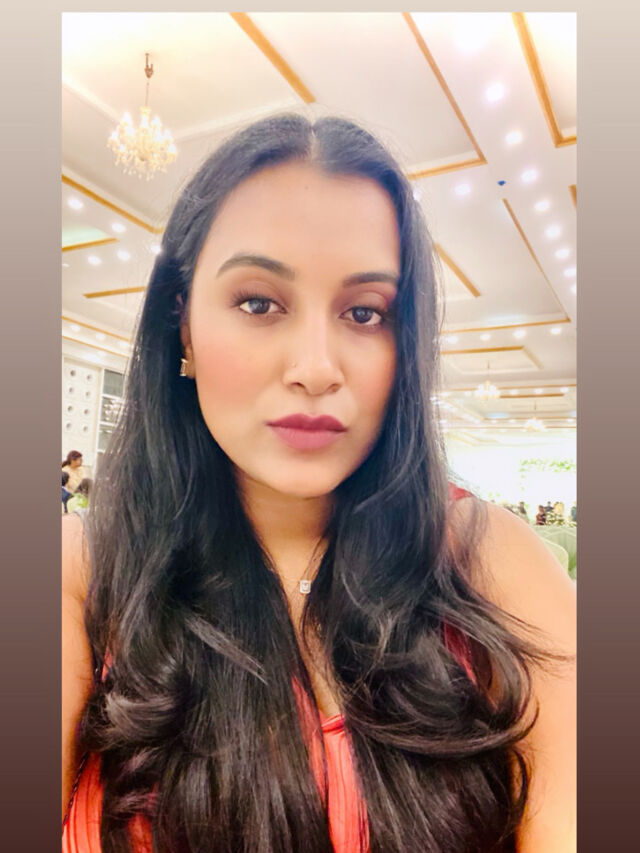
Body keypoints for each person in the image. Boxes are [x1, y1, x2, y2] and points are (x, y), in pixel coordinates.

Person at [62, 115, 576, 853]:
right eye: (258, 303)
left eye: (364, 313)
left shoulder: (490, 562)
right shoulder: (84, 574)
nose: (315, 367)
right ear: (183, 324)